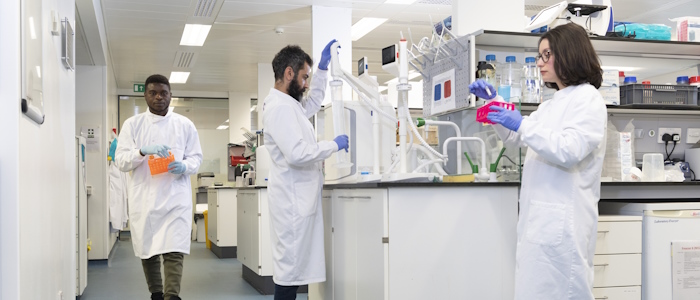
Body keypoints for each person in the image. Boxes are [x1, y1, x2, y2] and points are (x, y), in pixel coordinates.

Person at [469, 23, 607, 300]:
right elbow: (516, 137)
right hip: (541, 221)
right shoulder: (551, 103)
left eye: (547, 55)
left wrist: (522, 124)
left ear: (569, 54)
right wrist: (493, 102)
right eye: (539, 56)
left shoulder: (589, 100)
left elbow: (568, 150)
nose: (540, 63)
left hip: (564, 222)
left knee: (564, 290)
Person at [262, 40, 349, 300]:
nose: (307, 83)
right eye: (304, 77)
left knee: (293, 271)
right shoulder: (279, 108)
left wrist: (322, 69)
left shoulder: (289, 104)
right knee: (289, 275)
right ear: (289, 73)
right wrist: (332, 145)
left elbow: (312, 103)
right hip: (291, 206)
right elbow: (297, 153)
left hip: (297, 201)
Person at [115, 74, 203, 300]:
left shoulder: (184, 125)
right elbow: (121, 160)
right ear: (145, 95)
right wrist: (142, 151)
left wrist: (183, 165)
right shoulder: (133, 125)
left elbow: (196, 158)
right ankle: (156, 293)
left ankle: (171, 296)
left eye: (163, 93)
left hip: (175, 198)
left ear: (171, 95)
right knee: (149, 249)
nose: (158, 97)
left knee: (175, 250)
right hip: (145, 198)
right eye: (153, 92)